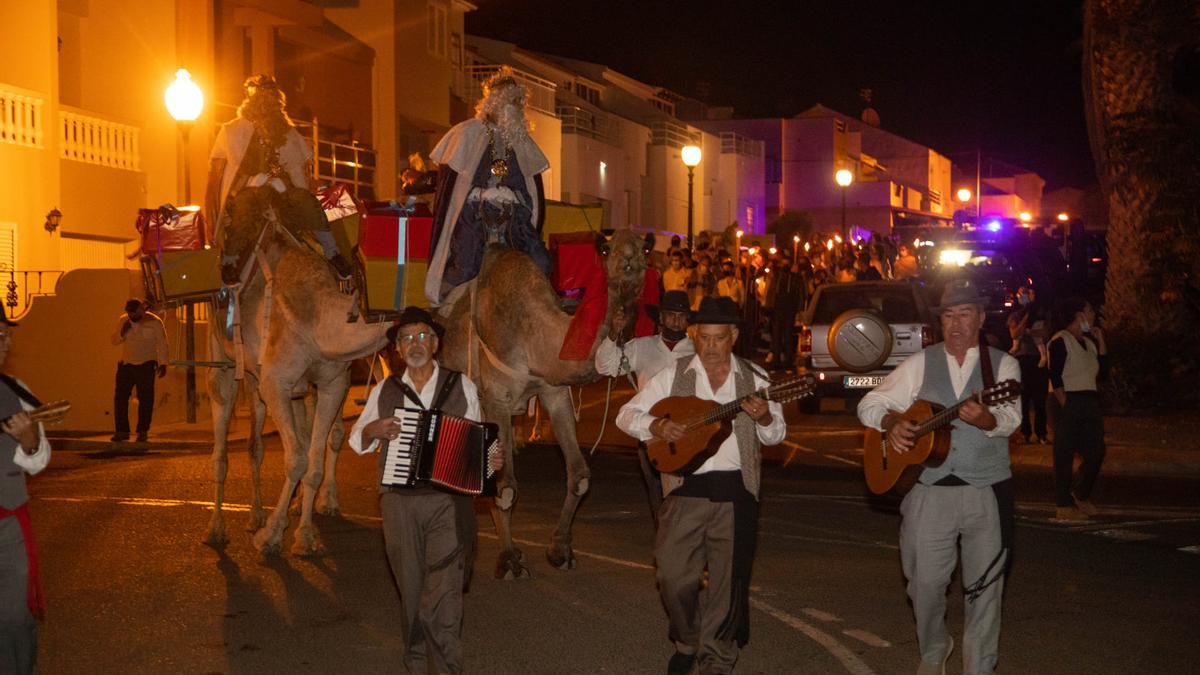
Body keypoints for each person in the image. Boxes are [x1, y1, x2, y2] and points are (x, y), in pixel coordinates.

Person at [857, 279, 1021, 675]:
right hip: (929, 490)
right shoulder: (921, 362)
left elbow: (1012, 418)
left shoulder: (1002, 366)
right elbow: (870, 402)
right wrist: (893, 421)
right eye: (948, 316)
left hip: (985, 489)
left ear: (981, 319)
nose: (957, 324)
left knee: (984, 589)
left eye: (965, 314)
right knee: (924, 585)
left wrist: (987, 419)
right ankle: (934, 648)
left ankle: (979, 666)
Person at [616, 296, 785, 675]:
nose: (710, 347)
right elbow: (625, 415)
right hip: (684, 488)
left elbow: (775, 437)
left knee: (728, 582)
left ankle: (717, 659)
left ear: (734, 337)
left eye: (719, 338)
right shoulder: (674, 376)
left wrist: (765, 417)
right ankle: (688, 638)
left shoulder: (756, 379)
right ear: (695, 334)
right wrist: (657, 426)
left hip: (736, 491)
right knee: (672, 576)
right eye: (704, 337)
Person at [349, 306, 502, 674]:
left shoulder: (459, 384)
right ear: (398, 349)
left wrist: (491, 460)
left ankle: (446, 668)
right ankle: (417, 664)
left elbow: (480, 438)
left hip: (446, 502)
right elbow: (357, 437)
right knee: (413, 592)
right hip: (398, 503)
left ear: (435, 344)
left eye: (422, 337)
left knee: (445, 593)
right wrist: (374, 431)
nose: (415, 344)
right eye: (407, 339)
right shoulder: (386, 390)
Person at [205, 74, 353, 284]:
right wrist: (247, 182)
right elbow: (218, 178)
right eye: (261, 95)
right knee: (245, 206)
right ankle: (230, 261)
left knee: (304, 200)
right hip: (249, 195)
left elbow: (300, 172)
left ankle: (332, 252)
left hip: (282, 198)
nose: (265, 102)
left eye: (270, 96)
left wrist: (286, 186)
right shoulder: (232, 132)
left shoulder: (289, 135)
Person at [426, 68, 552, 304]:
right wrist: (480, 194)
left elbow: (530, 193)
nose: (518, 107)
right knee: (467, 264)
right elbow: (453, 190)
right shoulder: (466, 133)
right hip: (473, 215)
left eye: (520, 102)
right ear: (497, 102)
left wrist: (512, 197)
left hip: (513, 218)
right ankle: (449, 304)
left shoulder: (522, 142)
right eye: (513, 101)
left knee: (540, 261)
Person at [595, 290, 695, 524]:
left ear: (688, 319)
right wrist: (613, 334)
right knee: (657, 494)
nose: (676, 320)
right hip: (650, 432)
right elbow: (605, 366)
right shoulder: (642, 347)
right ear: (660, 318)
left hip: (688, 433)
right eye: (671, 315)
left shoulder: (698, 351)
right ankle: (667, 539)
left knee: (686, 496)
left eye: (681, 315)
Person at [0, 306, 51, 675]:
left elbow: (39, 460)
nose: (7, 342)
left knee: (15, 620)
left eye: (7, 334)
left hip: (8, 526)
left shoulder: (18, 392)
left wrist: (31, 442)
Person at [1047, 298, 1108, 521]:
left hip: (1089, 400)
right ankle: (1063, 505)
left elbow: (1102, 375)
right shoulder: (1060, 340)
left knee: (1096, 451)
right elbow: (1054, 375)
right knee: (1064, 453)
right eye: (1089, 310)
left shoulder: (1089, 343)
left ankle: (1079, 494)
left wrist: (1101, 342)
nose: (1093, 315)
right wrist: (1066, 405)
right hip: (1067, 399)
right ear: (1078, 315)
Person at [110, 299, 168, 443]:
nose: (131, 314)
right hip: (126, 364)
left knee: (146, 399)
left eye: (133, 312)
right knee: (120, 398)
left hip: (146, 364)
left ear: (141, 310)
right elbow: (115, 340)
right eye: (128, 312)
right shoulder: (124, 321)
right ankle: (122, 431)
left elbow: (162, 343)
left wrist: (163, 363)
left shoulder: (155, 322)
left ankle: (142, 431)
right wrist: (122, 332)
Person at [1007, 286, 1050, 444]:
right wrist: (1026, 317)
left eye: (1027, 295)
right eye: (1021, 295)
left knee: (1039, 399)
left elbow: (1045, 333)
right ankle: (1025, 433)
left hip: (1037, 359)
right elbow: (1015, 333)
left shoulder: (1040, 313)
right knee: (1023, 399)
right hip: (1022, 360)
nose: (1024, 297)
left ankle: (1041, 434)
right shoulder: (1015, 315)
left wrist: (1031, 330)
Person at [766, 251, 804, 368]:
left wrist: (799, 310)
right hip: (778, 310)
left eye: (787, 264)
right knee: (776, 336)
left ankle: (788, 361)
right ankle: (776, 360)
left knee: (787, 336)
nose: (784, 266)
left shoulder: (795, 278)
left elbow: (800, 294)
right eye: (783, 264)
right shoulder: (777, 277)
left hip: (789, 310)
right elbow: (772, 292)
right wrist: (769, 307)